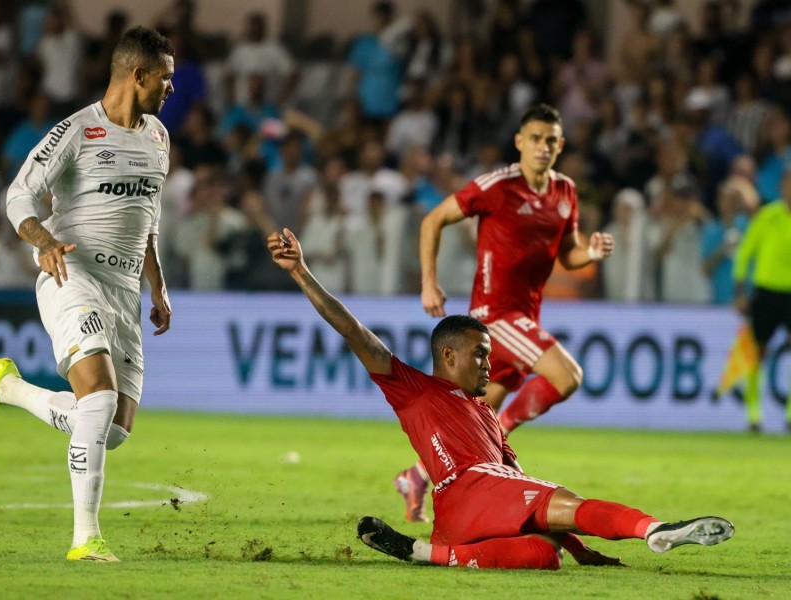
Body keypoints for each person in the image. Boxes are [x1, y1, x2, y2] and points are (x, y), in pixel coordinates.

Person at [266, 228, 734, 570]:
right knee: (565, 499)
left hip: (459, 519)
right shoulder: (413, 388)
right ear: (448, 354)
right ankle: (654, 530)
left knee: (543, 553)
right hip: (470, 488)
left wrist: (582, 553)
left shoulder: (487, 413)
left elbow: (520, 485)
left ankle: (423, 552)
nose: (490, 365)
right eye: (481, 355)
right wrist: (301, 272)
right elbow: (352, 329)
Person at [0, 26, 175, 562]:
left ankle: (10, 390)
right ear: (137, 75)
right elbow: (19, 195)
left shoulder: (158, 137)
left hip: (124, 294)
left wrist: (157, 283)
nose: (171, 89)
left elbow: (147, 219)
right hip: (73, 275)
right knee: (96, 396)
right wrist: (44, 241)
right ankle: (85, 539)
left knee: (113, 427)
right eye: (165, 78)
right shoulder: (77, 131)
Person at [396, 103, 615, 522]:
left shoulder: (565, 192)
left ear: (560, 145)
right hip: (495, 315)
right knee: (568, 376)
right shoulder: (498, 185)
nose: (542, 147)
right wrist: (429, 281)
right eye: (534, 138)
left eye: (551, 140)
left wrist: (591, 251)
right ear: (519, 141)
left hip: (525, 316)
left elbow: (569, 256)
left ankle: (416, 477)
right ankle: (500, 438)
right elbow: (433, 219)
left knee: (478, 419)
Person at [732, 167, 791, 433]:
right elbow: (745, 254)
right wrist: (740, 293)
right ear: (781, 187)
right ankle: (753, 413)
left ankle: (790, 414)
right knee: (759, 352)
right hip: (766, 292)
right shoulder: (767, 217)